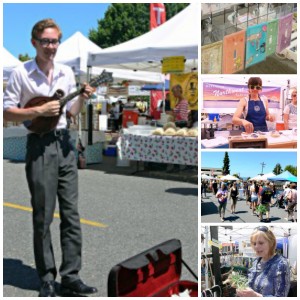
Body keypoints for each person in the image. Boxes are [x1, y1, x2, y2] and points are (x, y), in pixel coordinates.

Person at [3, 19, 97, 297]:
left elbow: (70, 113)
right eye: (45, 41)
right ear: (34, 43)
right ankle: (46, 278)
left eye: (55, 41)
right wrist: (38, 111)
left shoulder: (66, 73)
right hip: (40, 145)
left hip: (64, 144)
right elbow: (7, 112)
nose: (51, 46)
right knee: (43, 216)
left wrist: (83, 97)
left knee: (71, 214)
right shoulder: (22, 73)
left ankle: (71, 277)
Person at [236, 226, 290, 297]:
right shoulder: (256, 262)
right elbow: (250, 285)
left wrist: (256, 296)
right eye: (254, 243)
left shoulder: (281, 264)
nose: (256, 247)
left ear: (271, 243)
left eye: (261, 243)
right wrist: (243, 290)